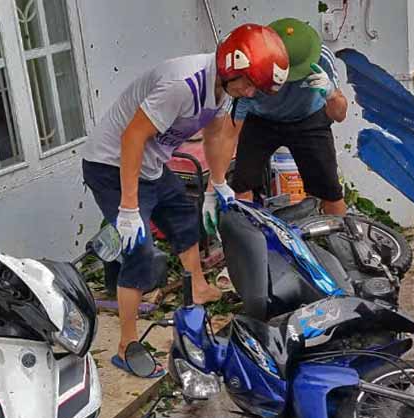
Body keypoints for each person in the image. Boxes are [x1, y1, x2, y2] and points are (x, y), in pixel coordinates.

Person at [81, 24, 289, 374]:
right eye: (250, 84)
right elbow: (132, 136)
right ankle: (126, 345)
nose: (252, 93)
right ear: (231, 66)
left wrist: (217, 185)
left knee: (183, 218)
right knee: (139, 252)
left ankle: (200, 286)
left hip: (151, 164)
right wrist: (129, 208)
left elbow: (215, 133)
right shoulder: (183, 85)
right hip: (112, 164)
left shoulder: (224, 90)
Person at [213, 17, 349, 223]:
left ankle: (346, 244)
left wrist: (330, 93)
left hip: (308, 119)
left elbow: (339, 115)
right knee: (242, 185)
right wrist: (217, 183)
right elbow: (230, 134)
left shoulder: (321, 58)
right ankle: (252, 240)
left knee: (330, 191)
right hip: (261, 120)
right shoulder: (251, 64)